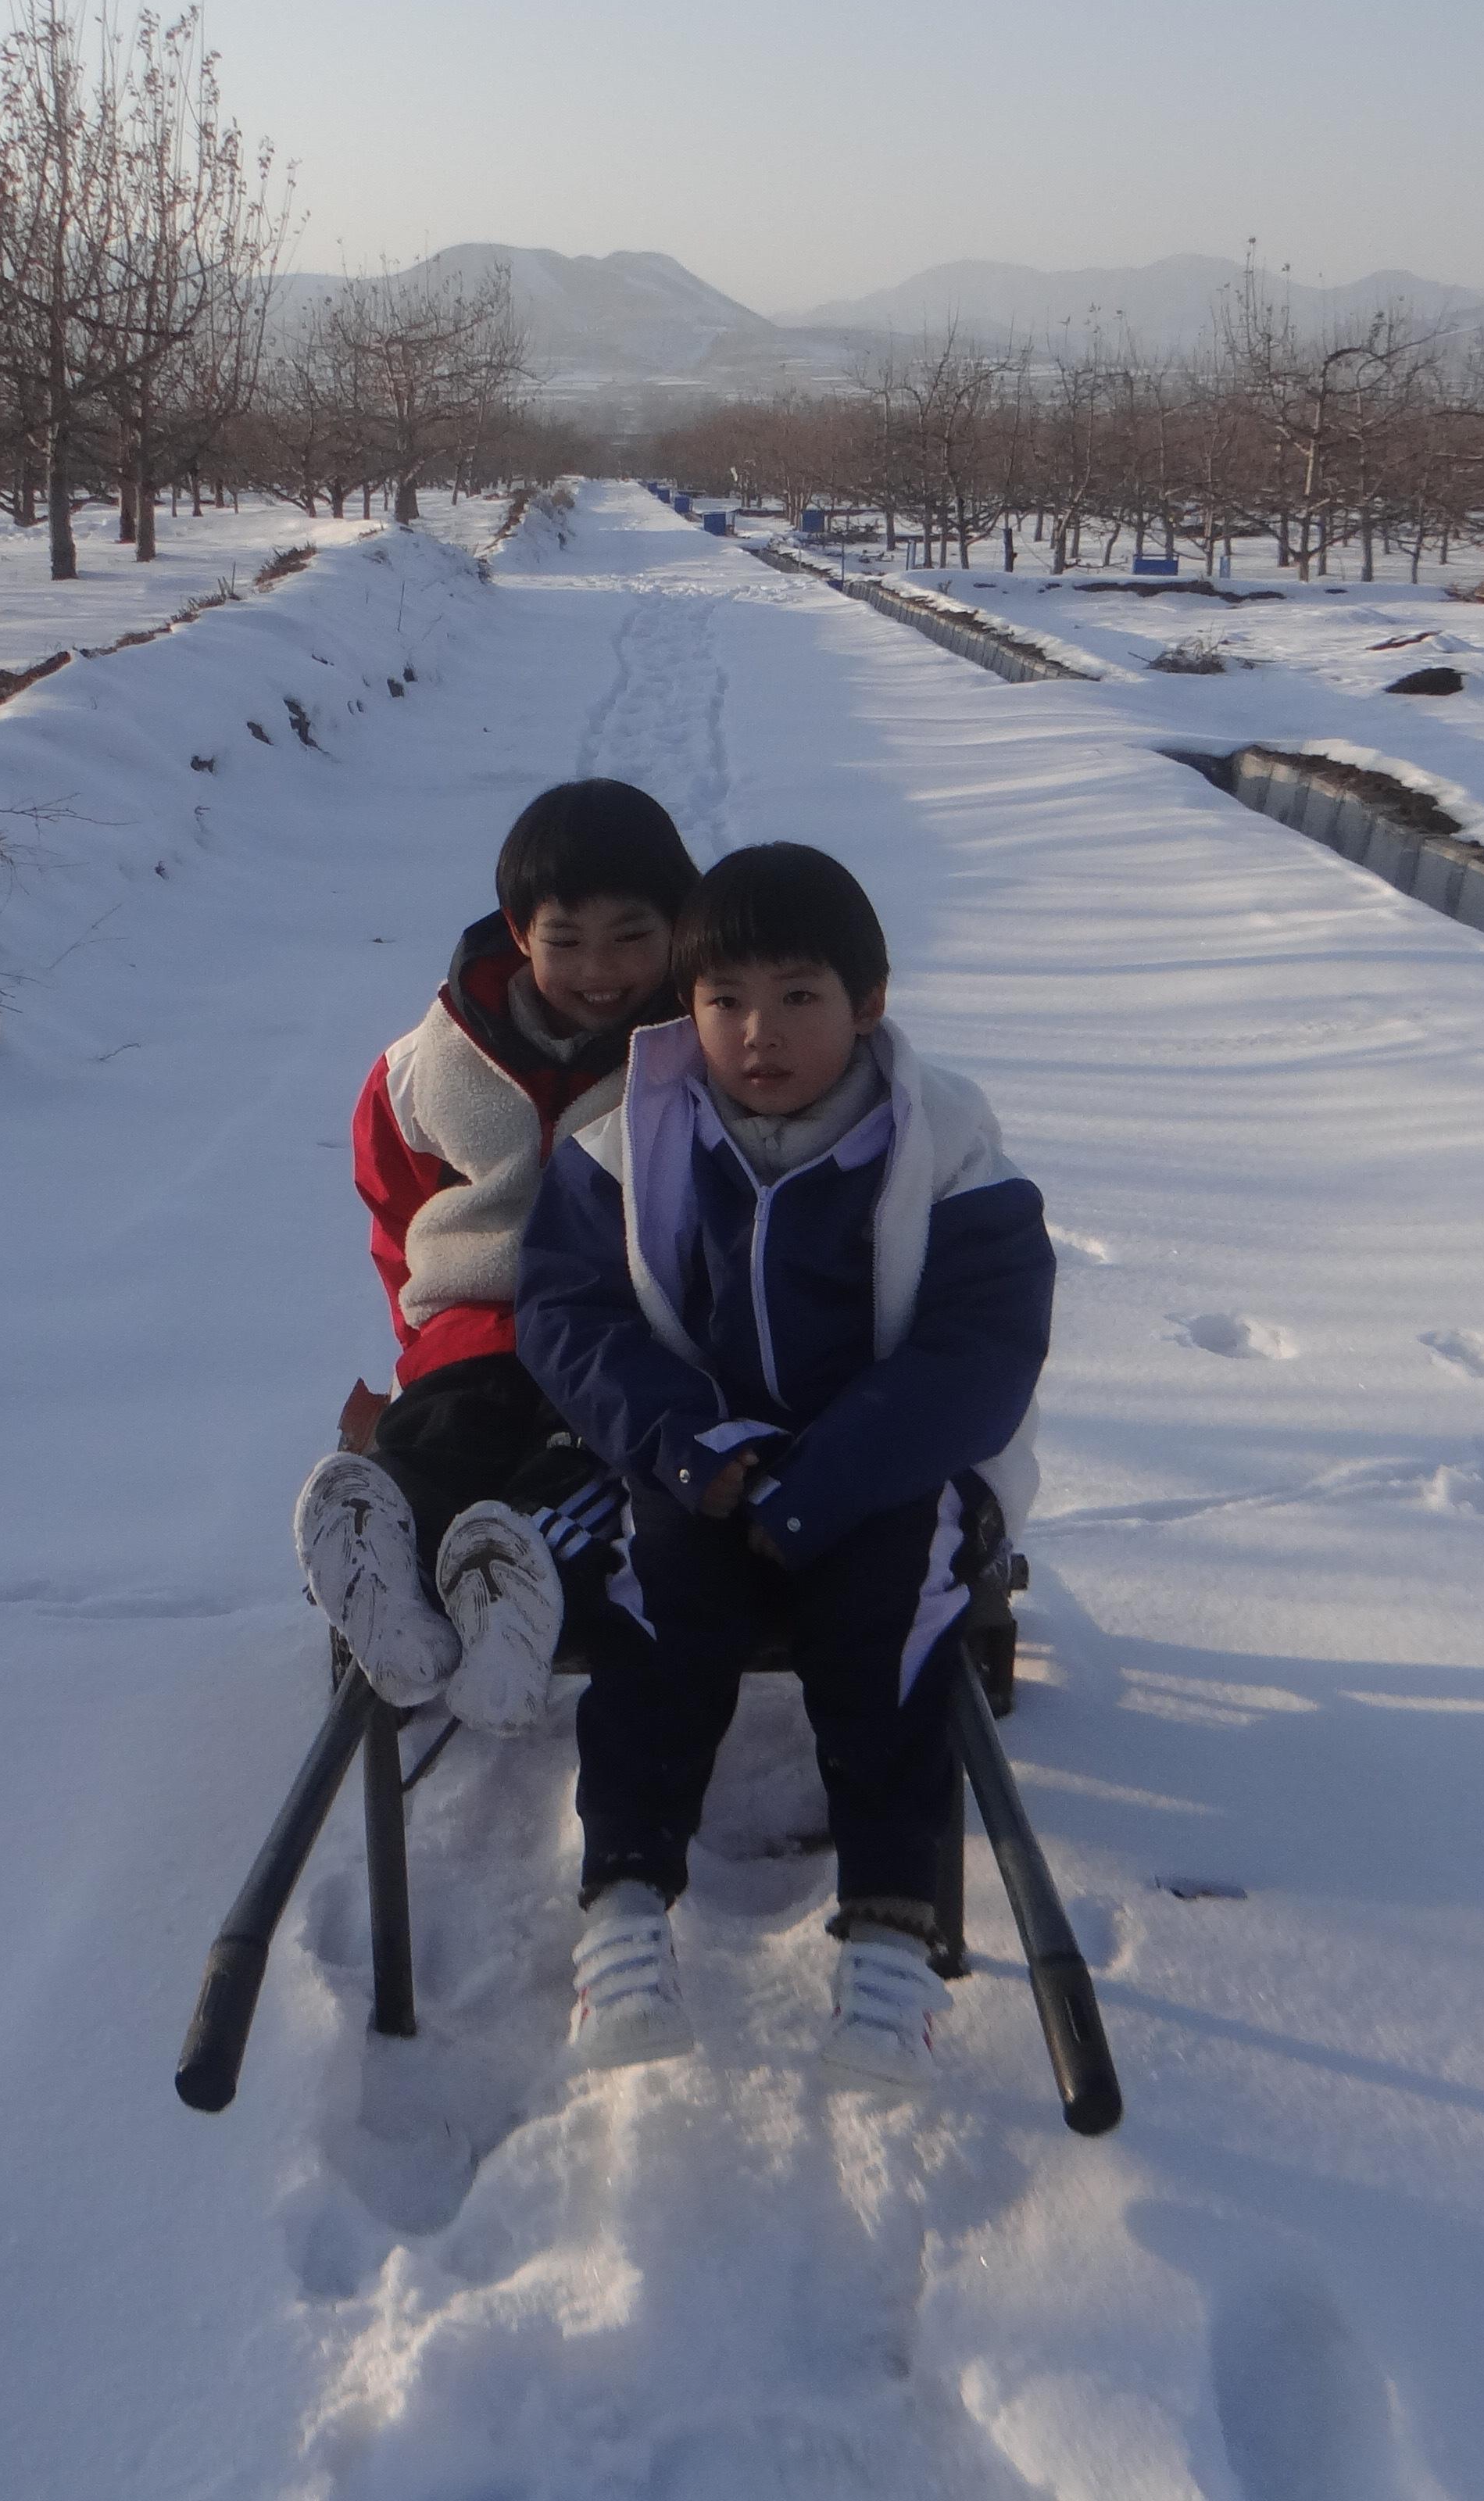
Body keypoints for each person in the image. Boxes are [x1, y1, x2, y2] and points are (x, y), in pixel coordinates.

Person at [515, 843, 1053, 2089]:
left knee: (896, 1628)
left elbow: (985, 1341)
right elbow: (567, 1318)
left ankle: (890, 1938)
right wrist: (698, 1452)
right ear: (686, 1008)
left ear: (867, 1003)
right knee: (658, 1617)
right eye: (725, 1002)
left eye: (799, 998)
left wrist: (833, 1477)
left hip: (884, 1475)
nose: (760, 1034)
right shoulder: (626, 1141)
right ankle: (626, 1911)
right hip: (698, 1467)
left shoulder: (946, 1139)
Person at [294, 778, 701, 1737]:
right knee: (437, 1445)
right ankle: (382, 1564)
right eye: (567, 941)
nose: (600, 970)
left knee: (584, 1465)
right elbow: (397, 1202)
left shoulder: (697, 1048)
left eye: (632, 938)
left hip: (614, 1334)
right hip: (475, 1326)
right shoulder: (434, 1061)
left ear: (679, 929)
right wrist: (422, 1332)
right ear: (520, 933)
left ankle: (514, 1577)